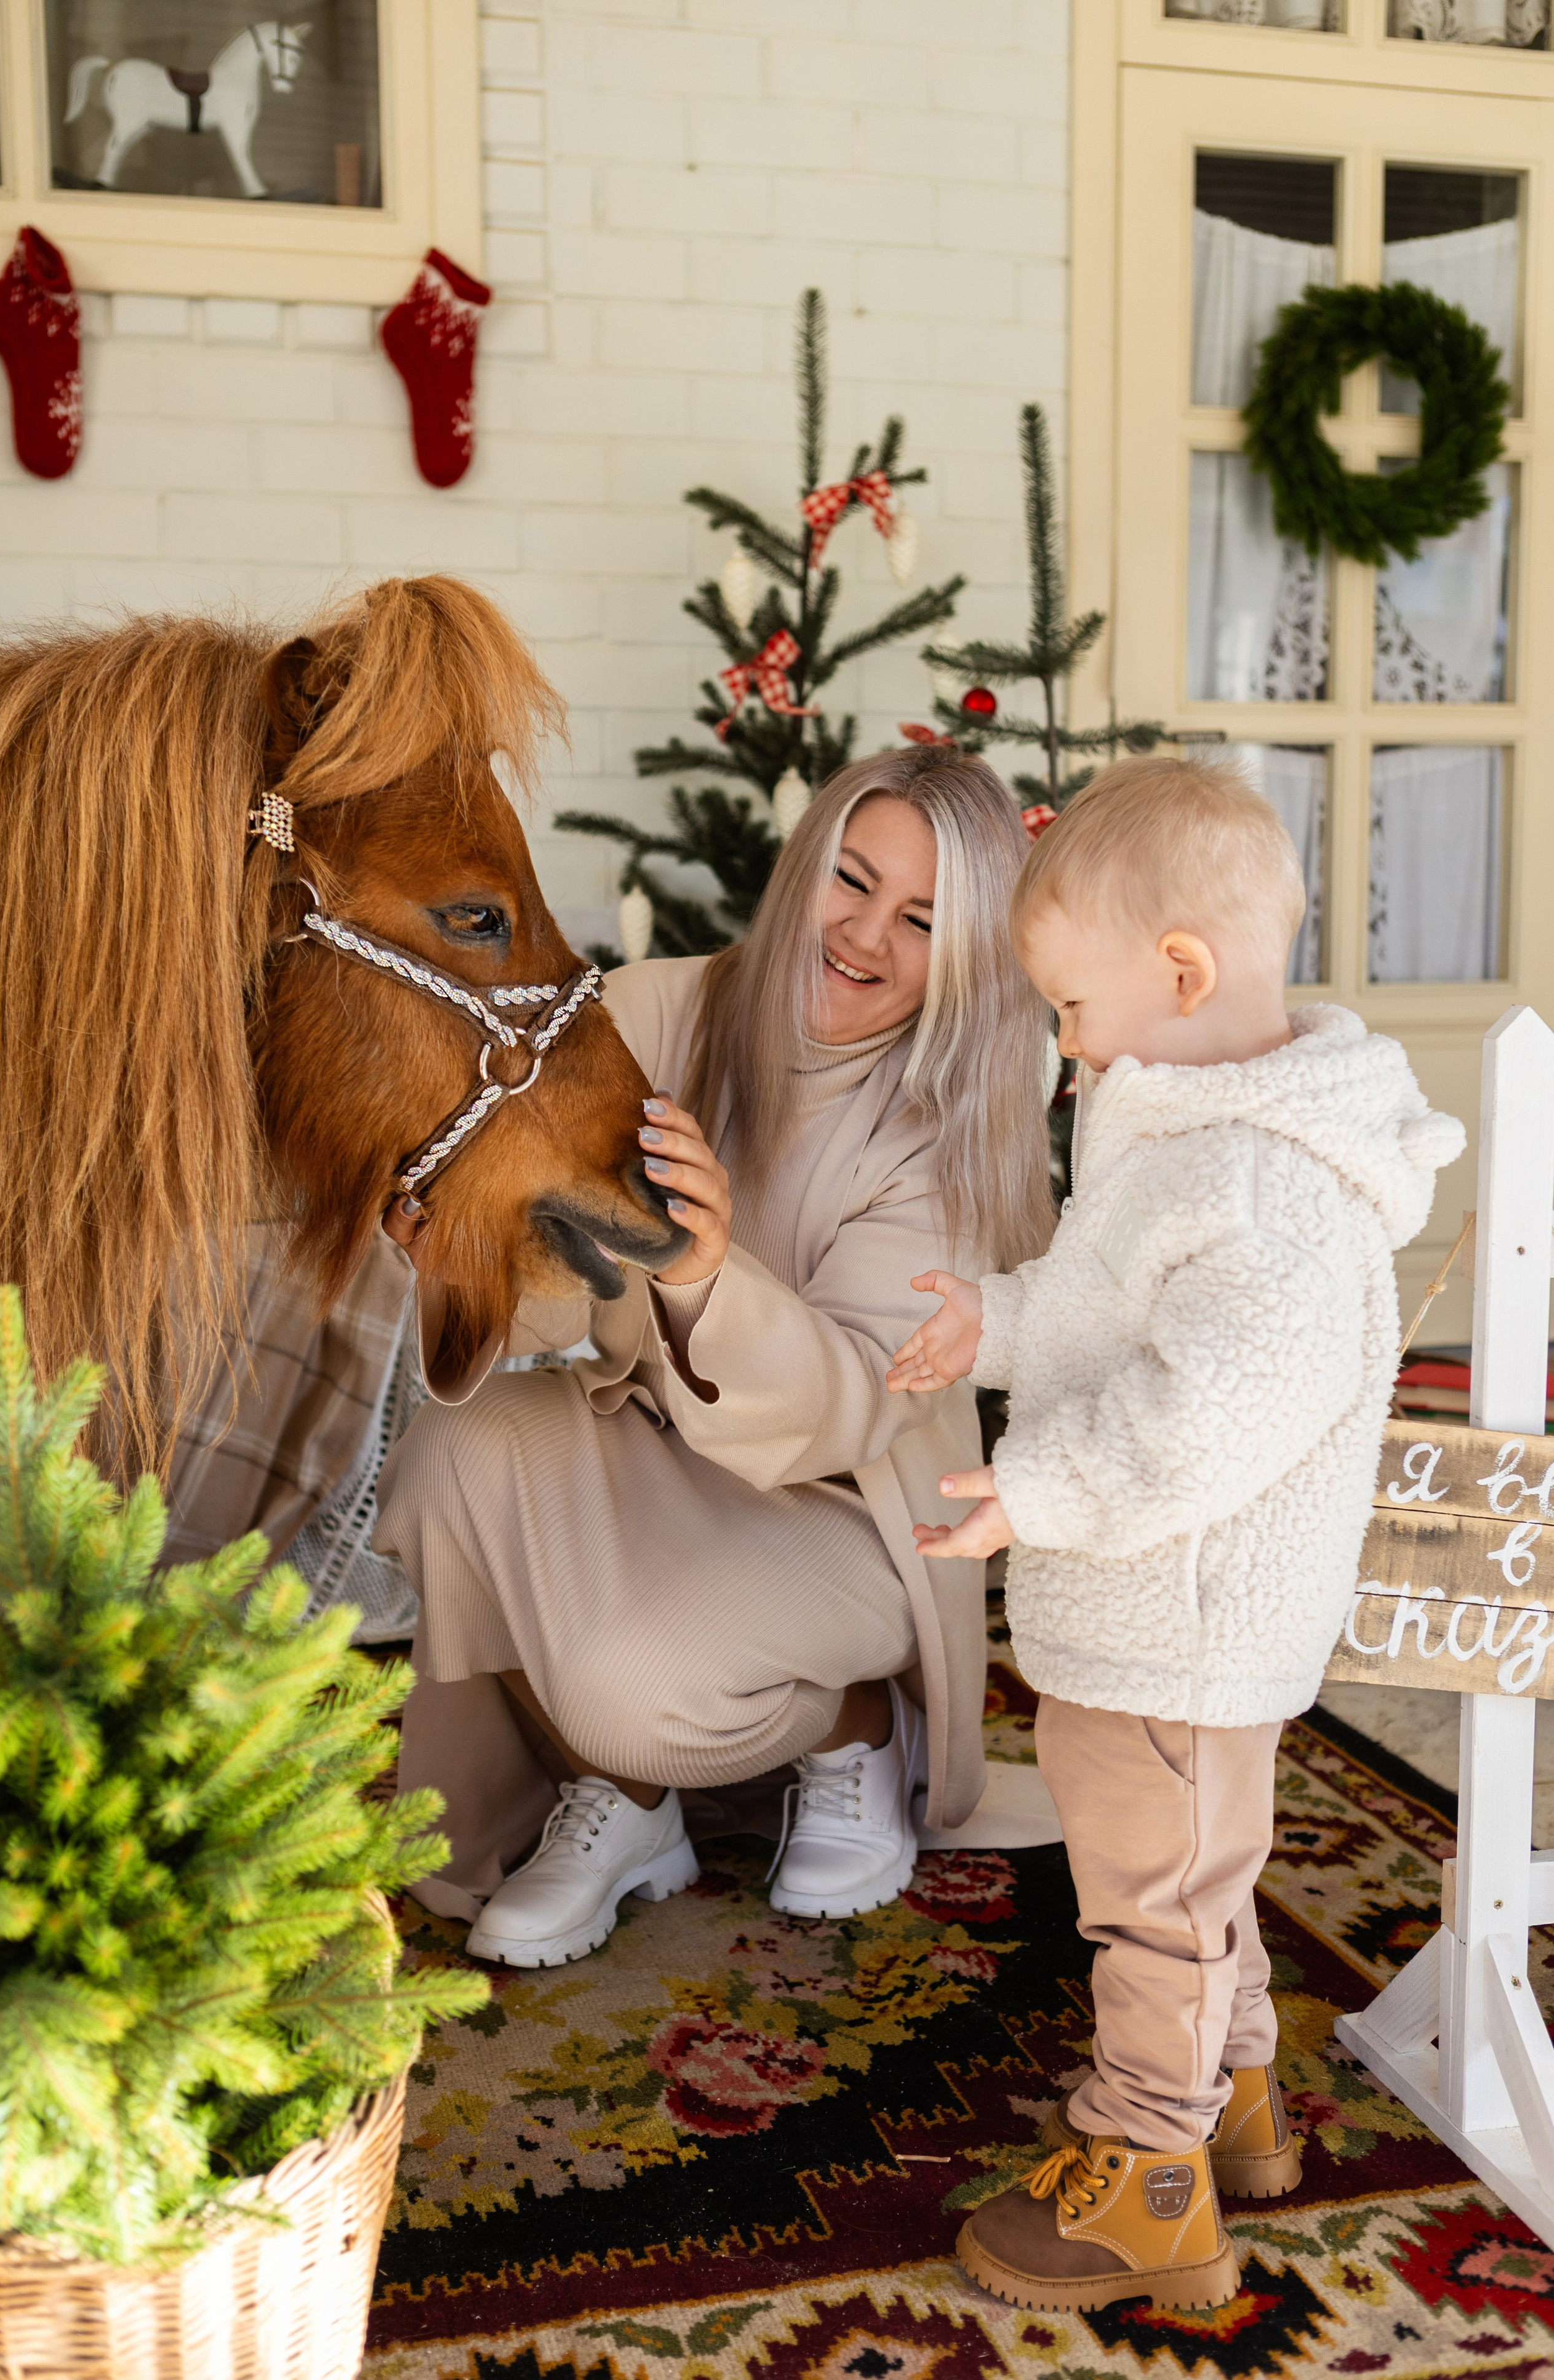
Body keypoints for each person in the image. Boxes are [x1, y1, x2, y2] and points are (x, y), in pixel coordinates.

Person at [887, 755, 1464, 2315]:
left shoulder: (1257, 1179)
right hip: (1148, 1619)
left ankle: (1148, 2171)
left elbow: (1215, 1409)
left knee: (1153, 1905)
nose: (1061, 1040)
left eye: (1067, 1007)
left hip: (1184, 1628)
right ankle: (1244, 2109)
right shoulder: (1182, 1130)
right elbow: (1112, 1323)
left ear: (1178, 971)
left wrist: (1042, 1490)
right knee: (1194, 1889)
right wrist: (994, 1324)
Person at [373, 746, 1056, 1969]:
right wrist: (454, 1248)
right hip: (653, 1439)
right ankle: (622, 1802)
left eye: (921, 921)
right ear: (803, 869)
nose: (864, 938)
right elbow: (544, 1292)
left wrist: (699, 1271)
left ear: (962, 954)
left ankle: (856, 1721)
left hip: (854, 1508)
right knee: (445, 1464)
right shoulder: (645, 1012)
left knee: (630, 1685)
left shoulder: (951, 1130)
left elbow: (853, 1407)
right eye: (850, 883)